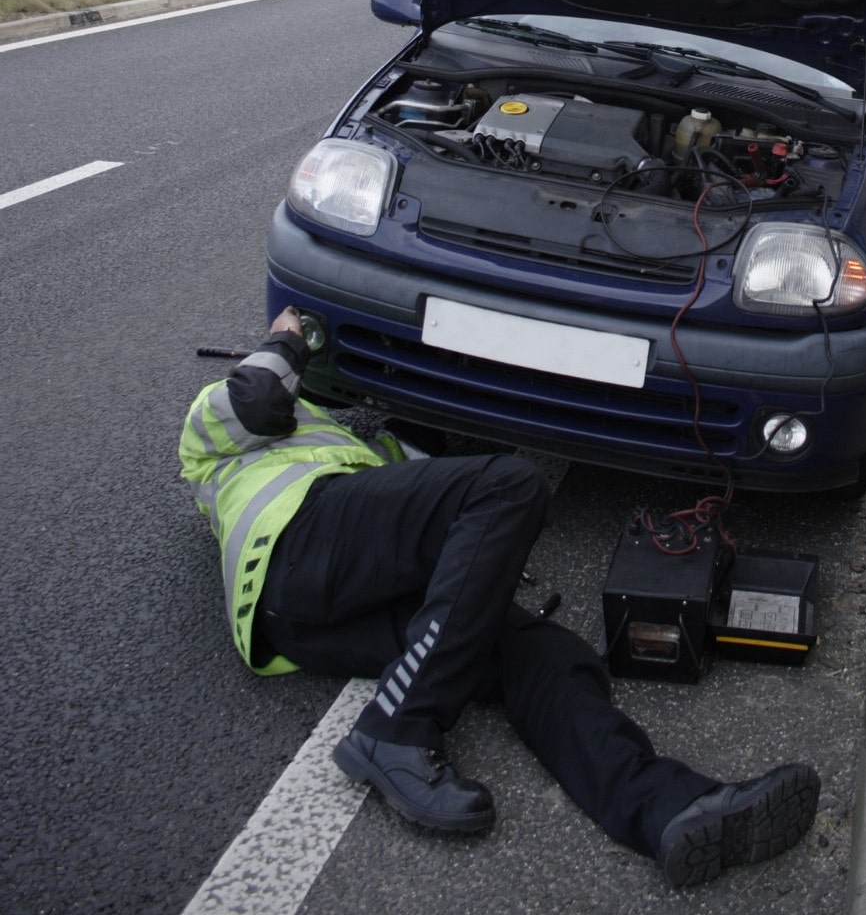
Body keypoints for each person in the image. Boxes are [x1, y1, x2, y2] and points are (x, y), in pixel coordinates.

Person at [179, 308, 820, 890]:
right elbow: (260, 398)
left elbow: (429, 475)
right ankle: (395, 730)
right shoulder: (215, 421)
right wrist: (288, 337)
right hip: (294, 551)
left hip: (323, 619)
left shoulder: (349, 453)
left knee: (543, 653)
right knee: (509, 489)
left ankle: (666, 808)